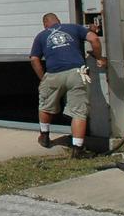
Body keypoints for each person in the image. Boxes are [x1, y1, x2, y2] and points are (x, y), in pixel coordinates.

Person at [29, 12, 107, 158]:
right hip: (76, 73)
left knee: (45, 105)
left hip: (53, 74)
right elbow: (94, 39)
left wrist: (43, 78)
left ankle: (44, 136)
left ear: (45, 24)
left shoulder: (41, 36)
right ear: (59, 21)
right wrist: (99, 57)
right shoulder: (74, 28)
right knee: (78, 112)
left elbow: (34, 59)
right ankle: (77, 149)